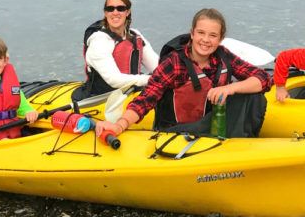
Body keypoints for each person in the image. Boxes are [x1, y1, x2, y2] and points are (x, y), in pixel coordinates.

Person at [95, 8, 271, 139]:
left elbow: (263, 79)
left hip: (210, 125)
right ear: (192, 34)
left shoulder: (224, 56)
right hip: (178, 133)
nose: (206, 40)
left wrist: (231, 88)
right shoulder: (174, 63)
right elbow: (146, 99)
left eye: (212, 35)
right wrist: (120, 124)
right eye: (201, 33)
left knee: (253, 96)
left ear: (220, 38)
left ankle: (242, 141)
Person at [73, 0, 160, 101]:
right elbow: (114, 80)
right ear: (105, 13)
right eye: (110, 9)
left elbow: (157, 66)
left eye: (120, 8)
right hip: (102, 98)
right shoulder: (99, 41)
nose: (115, 12)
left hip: (130, 93)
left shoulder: (135, 35)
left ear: (127, 12)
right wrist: (152, 79)